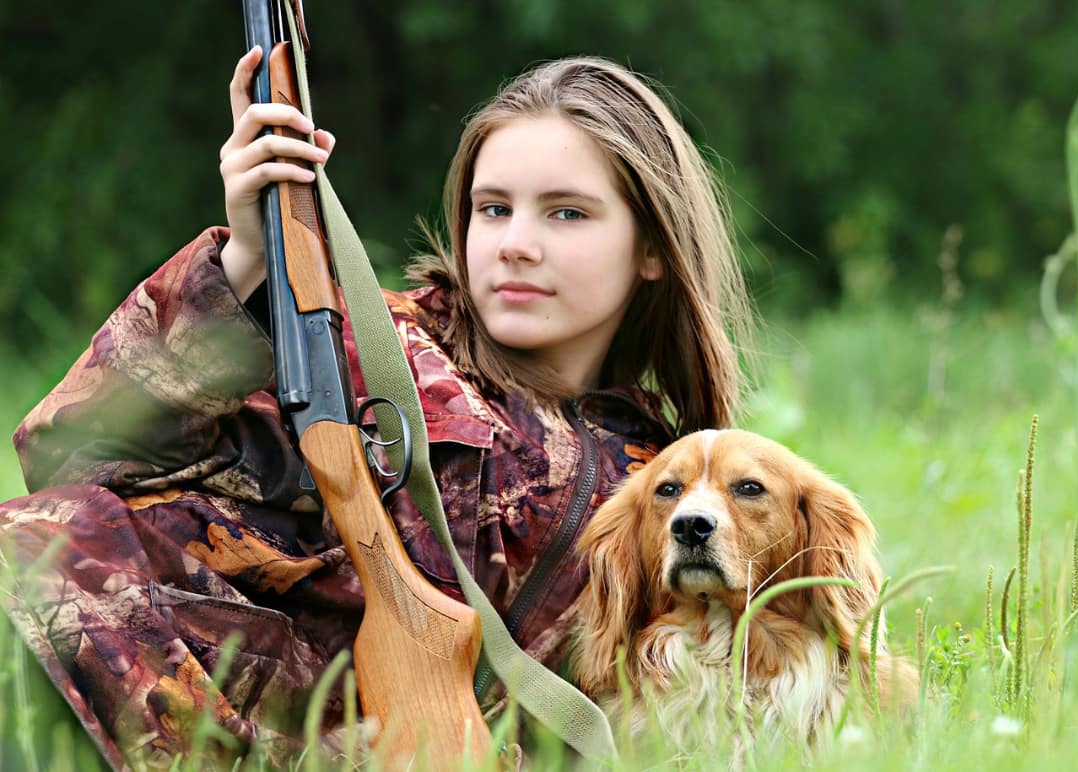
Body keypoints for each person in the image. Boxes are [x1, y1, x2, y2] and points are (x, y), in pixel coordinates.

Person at [0, 47, 753, 769]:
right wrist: (245, 265)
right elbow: (76, 456)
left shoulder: (673, 491)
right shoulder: (354, 340)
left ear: (652, 247)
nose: (517, 244)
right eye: (493, 209)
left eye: (567, 214)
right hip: (96, 664)